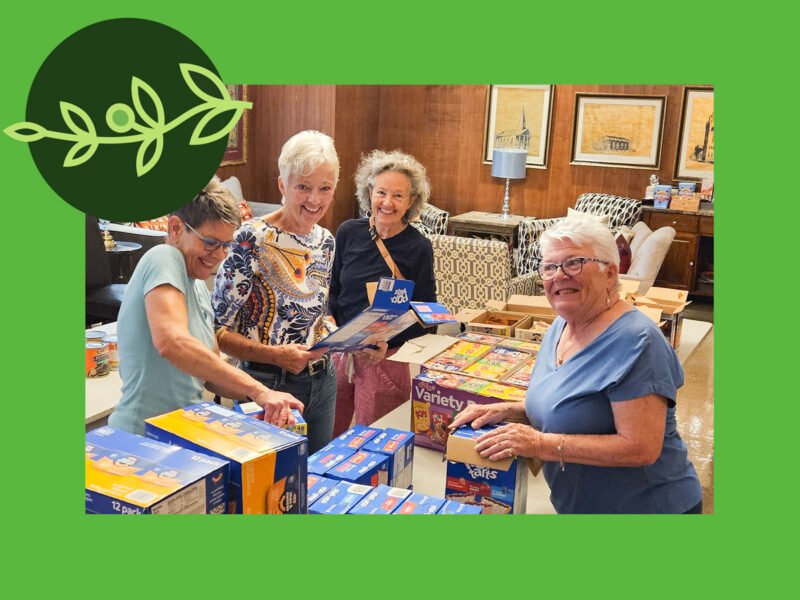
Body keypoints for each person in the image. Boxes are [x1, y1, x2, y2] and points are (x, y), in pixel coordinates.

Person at [449, 213, 702, 514]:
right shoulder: (561, 326)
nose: (558, 276)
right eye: (549, 267)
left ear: (610, 273)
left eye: (573, 263)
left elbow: (641, 447)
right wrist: (508, 410)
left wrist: (539, 444)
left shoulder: (637, 341)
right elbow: (577, 405)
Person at [108, 177, 303, 435]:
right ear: (176, 228)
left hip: (181, 432)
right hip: (141, 436)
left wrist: (266, 397)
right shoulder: (163, 257)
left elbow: (210, 377)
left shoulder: (198, 284)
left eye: (226, 246)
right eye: (210, 243)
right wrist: (259, 391)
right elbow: (172, 342)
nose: (220, 255)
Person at [212, 130, 338, 453]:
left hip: (324, 381)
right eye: (303, 187)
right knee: (270, 480)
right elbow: (216, 332)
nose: (315, 200)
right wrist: (276, 355)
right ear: (282, 185)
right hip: (268, 386)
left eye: (325, 188)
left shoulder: (326, 241)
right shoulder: (250, 239)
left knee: (316, 476)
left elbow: (316, 313)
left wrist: (336, 332)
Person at [329, 149, 436, 436]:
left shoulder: (418, 247)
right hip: (340, 353)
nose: (387, 203)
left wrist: (387, 341)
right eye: (381, 193)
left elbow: (427, 314)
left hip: (385, 359)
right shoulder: (348, 232)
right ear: (369, 193)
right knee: (327, 436)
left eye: (398, 196)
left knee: (375, 440)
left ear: (411, 201)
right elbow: (332, 290)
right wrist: (330, 324)